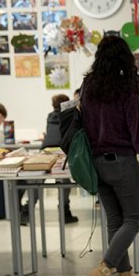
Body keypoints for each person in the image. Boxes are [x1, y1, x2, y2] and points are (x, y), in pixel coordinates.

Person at [80, 36, 139, 276]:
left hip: (96, 163)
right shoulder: (126, 87)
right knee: (135, 218)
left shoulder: (89, 85)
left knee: (115, 220)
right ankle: (103, 271)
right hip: (122, 161)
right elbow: (137, 130)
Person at [42, 93, 79, 224]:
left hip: (45, 151)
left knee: (37, 179)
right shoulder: (68, 115)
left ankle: (26, 209)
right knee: (64, 182)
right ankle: (65, 211)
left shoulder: (50, 116)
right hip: (60, 151)